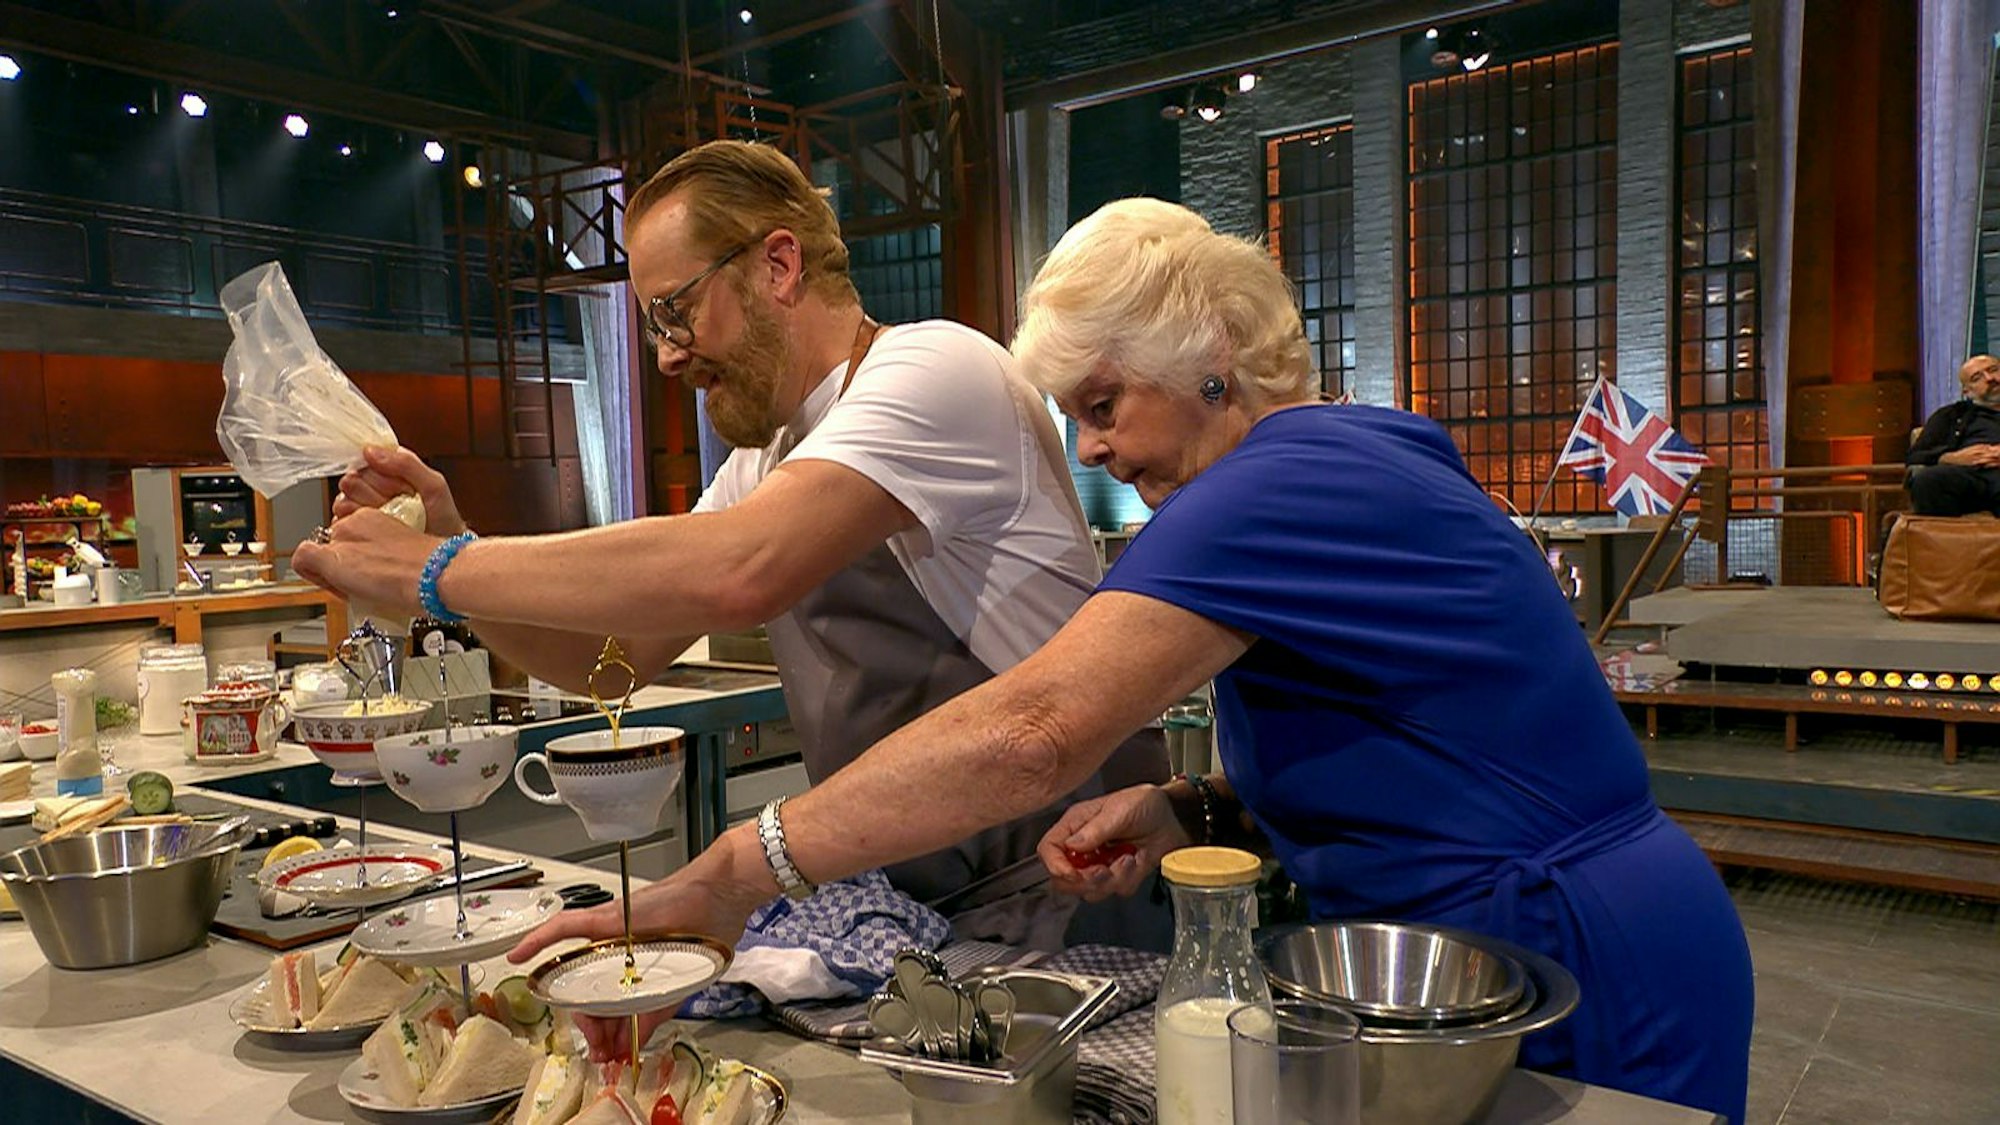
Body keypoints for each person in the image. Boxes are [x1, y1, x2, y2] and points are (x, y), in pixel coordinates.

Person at [508, 197, 1754, 1123]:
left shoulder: (1277, 480)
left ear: (1208, 347)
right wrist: (1188, 802)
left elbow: (1030, 732)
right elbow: (1416, 729)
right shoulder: (1351, 453)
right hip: (1481, 946)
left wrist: (733, 872)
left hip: (1570, 954)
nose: (1095, 450)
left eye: (1103, 404)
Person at [291, 139, 1166, 950]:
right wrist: (458, 551)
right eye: (654, 326)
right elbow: (615, 660)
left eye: (676, 311)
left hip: (1070, 880)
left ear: (778, 266)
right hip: (915, 906)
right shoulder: (769, 459)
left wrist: (439, 572)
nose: (669, 357)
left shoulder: (935, 369)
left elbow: (740, 568)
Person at [1907, 354, 2000, 516]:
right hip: (1971, 479)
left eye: (1993, 370)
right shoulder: (1950, 415)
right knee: (1928, 480)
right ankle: (1946, 540)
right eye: (1977, 378)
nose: (1990, 378)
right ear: (1967, 391)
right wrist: (1951, 458)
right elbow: (1916, 456)